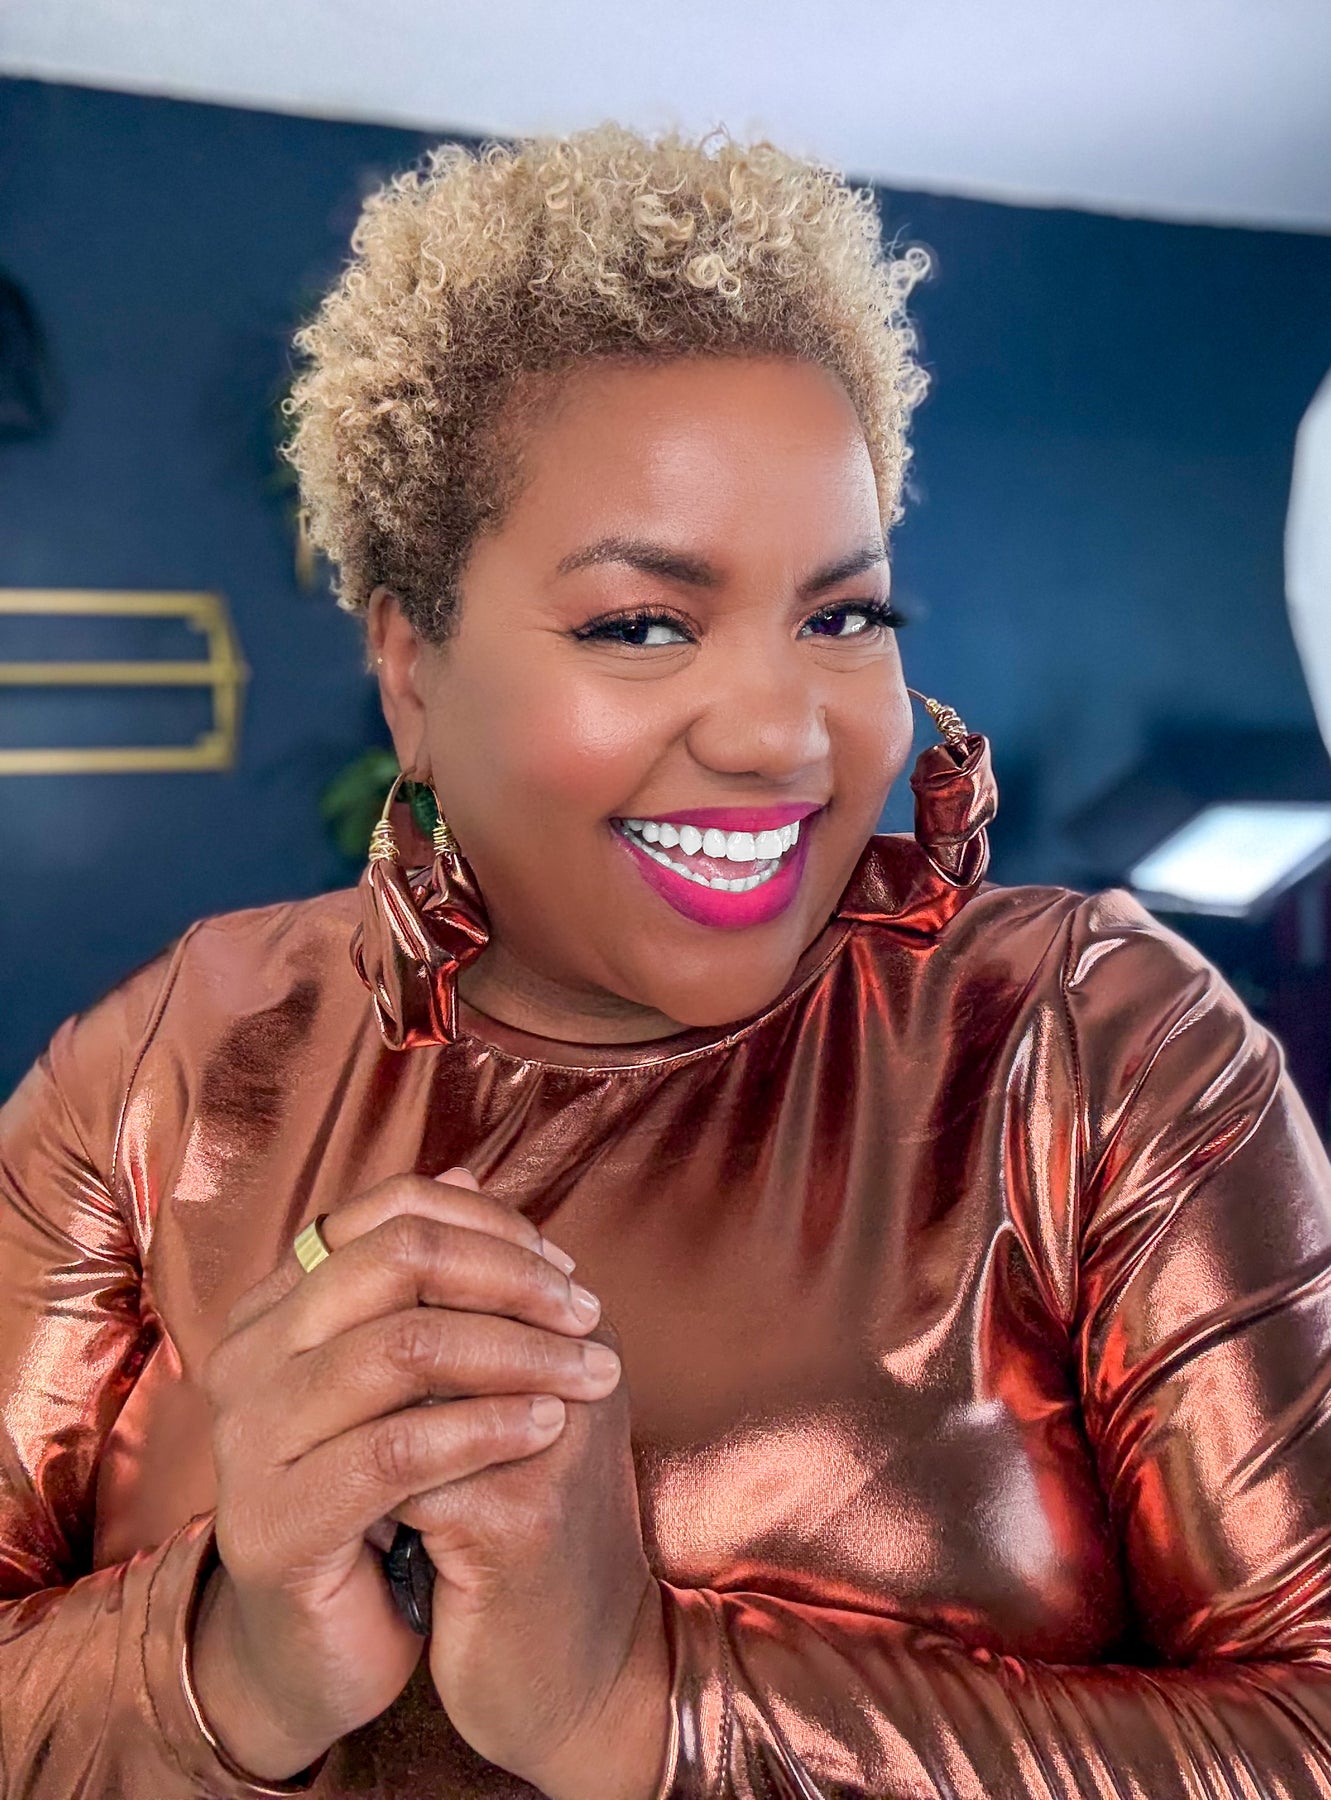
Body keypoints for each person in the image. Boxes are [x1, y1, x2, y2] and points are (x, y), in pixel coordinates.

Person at [3, 124, 1331, 1800]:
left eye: (842, 617)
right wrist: (234, 1666)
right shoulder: (171, 1068)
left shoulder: (1092, 1048)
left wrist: (638, 1703)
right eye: (642, 624)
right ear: (411, 670)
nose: (782, 734)